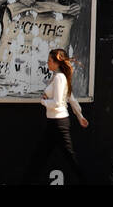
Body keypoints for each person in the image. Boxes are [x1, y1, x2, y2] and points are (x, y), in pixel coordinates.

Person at [37, 48, 88, 183]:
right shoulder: (56, 76)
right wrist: (79, 116)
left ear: (56, 62)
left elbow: (58, 102)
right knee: (40, 157)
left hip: (59, 123)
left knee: (70, 158)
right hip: (53, 123)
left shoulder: (60, 78)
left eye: (49, 61)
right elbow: (71, 98)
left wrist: (43, 101)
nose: (47, 63)